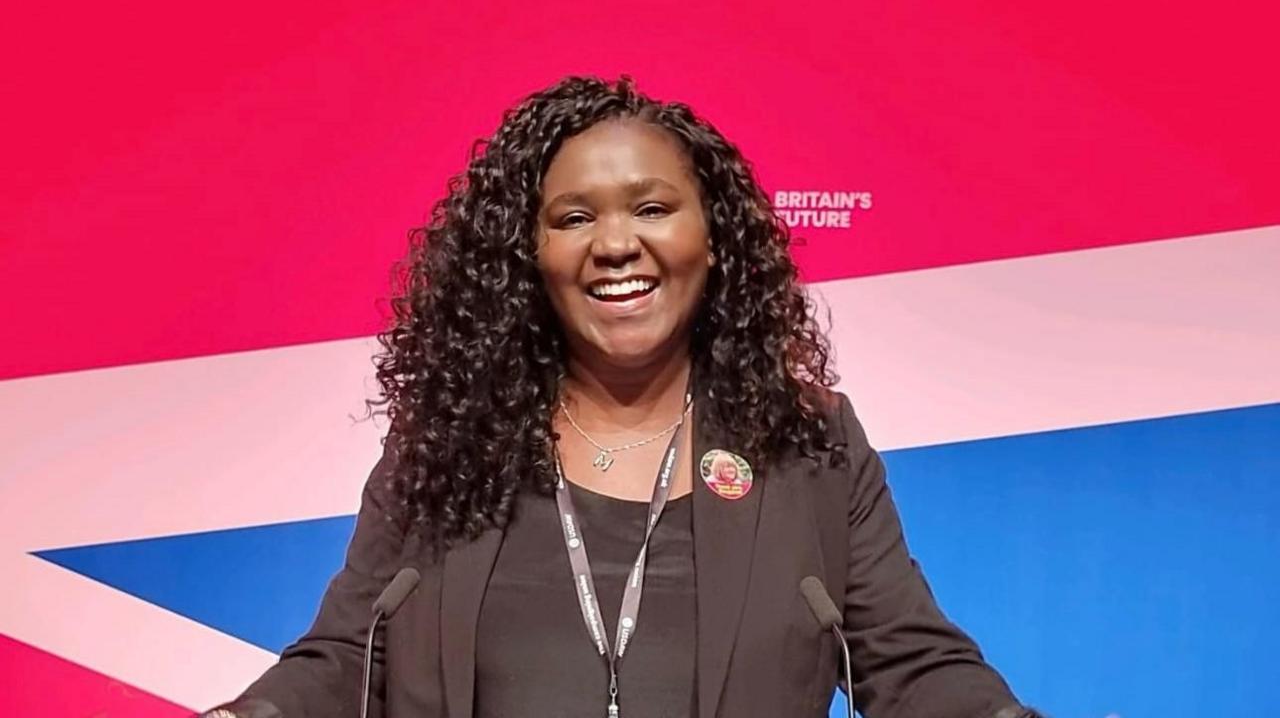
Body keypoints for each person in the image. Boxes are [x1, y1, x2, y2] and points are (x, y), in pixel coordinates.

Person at [205, 75, 1040, 718]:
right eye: (572, 218)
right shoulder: (452, 444)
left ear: (713, 240)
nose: (614, 244)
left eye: (651, 207)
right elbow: (350, 656)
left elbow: (908, 661)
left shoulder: (807, 444)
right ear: (525, 255)